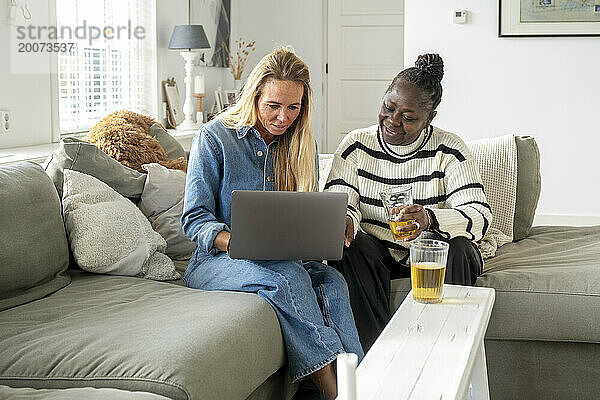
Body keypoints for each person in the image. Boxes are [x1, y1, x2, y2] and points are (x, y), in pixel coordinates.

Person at [181, 47, 364, 400]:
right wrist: (234, 242)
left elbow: (299, 212)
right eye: (273, 106)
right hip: (217, 262)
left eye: (293, 107)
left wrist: (329, 226)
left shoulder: (299, 145)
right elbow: (194, 219)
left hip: (282, 256)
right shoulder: (215, 138)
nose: (283, 117)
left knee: (333, 282)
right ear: (255, 97)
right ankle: (336, 394)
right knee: (288, 277)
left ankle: (360, 380)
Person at [325, 53, 492, 352]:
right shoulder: (355, 146)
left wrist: (429, 219)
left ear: (430, 118)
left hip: (431, 253)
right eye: (388, 108)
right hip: (378, 256)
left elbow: (479, 215)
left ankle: (445, 352)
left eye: (409, 117)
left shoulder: (449, 148)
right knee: (350, 247)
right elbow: (341, 204)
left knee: (462, 248)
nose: (393, 121)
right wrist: (344, 221)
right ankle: (377, 358)